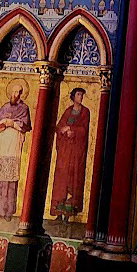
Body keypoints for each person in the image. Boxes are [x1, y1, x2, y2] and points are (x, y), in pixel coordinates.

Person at [0, 81, 32, 221]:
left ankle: (7, 211)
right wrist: (4, 121)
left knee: (9, 178)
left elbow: (26, 125)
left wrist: (13, 123)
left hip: (13, 145)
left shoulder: (24, 108)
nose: (15, 94)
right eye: (13, 92)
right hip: (1, 145)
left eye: (18, 92)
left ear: (21, 94)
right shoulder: (5, 107)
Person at [49, 87, 91, 219]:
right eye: (78, 94)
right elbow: (58, 126)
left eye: (82, 95)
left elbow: (84, 130)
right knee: (62, 178)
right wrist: (64, 130)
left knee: (74, 178)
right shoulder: (68, 111)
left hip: (76, 151)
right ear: (73, 96)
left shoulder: (85, 112)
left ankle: (69, 212)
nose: (81, 97)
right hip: (65, 151)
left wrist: (71, 129)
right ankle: (59, 212)